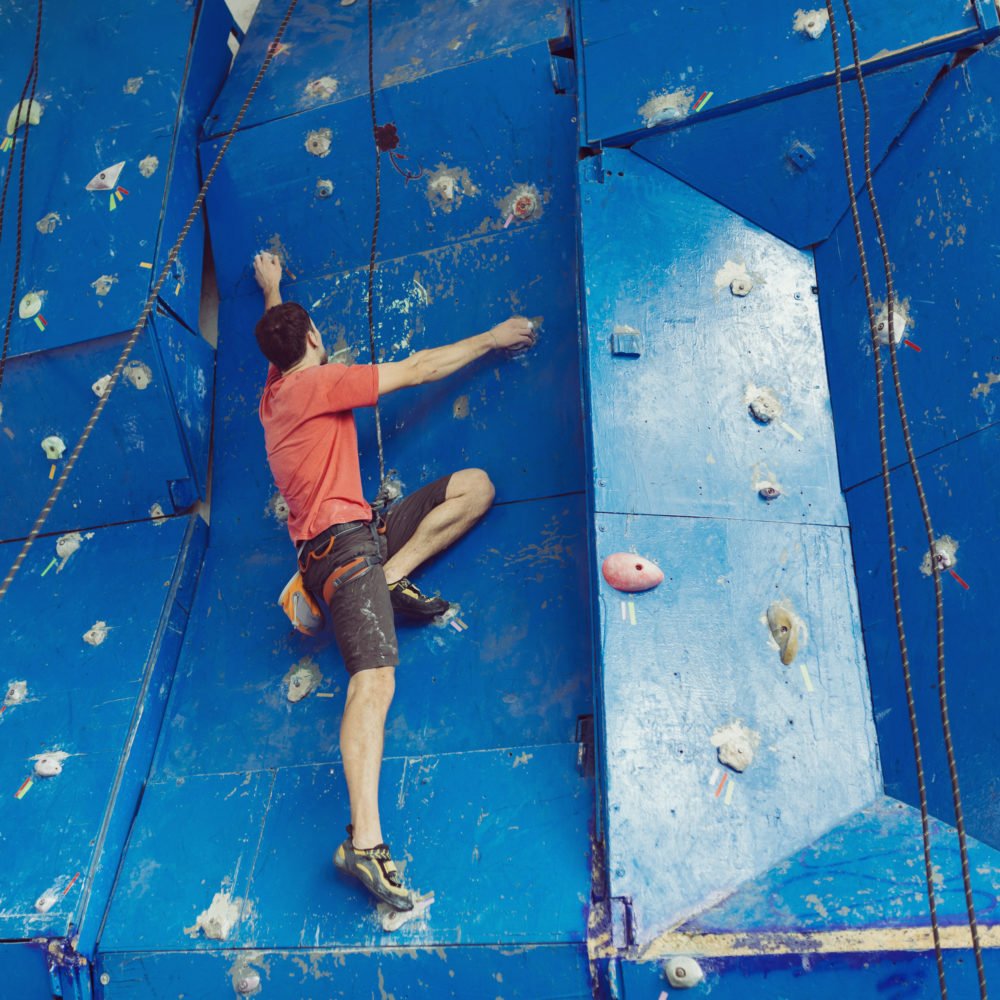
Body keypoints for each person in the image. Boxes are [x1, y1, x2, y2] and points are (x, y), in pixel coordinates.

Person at [252, 252, 536, 911]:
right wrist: (493, 338)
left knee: (474, 488)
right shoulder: (319, 382)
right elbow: (419, 368)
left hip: (363, 531)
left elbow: (279, 334)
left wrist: (272, 288)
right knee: (374, 682)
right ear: (315, 339)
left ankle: (392, 577)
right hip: (339, 552)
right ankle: (364, 842)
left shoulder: (275, 391)